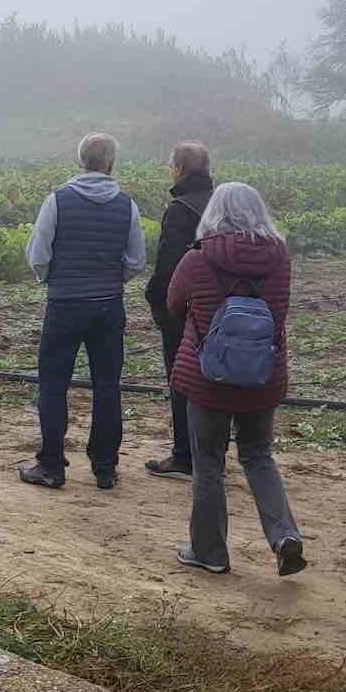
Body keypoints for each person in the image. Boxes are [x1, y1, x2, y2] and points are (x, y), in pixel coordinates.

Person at [167, 182, 305, 577]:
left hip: (208, 378)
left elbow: (175, 305)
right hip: (263, 376)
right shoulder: (280, 258)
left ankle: (209, 552)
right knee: (259, 457)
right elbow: (281, 310)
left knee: (208, 464)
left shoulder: (198, 258)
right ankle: (284, 536)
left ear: (214, 213)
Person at [20, 133, 146, 490]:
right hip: (108, 306)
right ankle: (105, 469)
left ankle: (51, 466)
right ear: (110, 163)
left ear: (81, 160)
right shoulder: (126, 205)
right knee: (107, 387)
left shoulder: (57, 201)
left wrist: (54, 280)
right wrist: (111, 279)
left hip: (64, 306)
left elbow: (38, 255)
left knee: (53, 384)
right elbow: (136, 260)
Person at [143, 142, 215, 481]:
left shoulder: (180, 208)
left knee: (181, 380)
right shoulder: (221, 205)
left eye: (171, 165)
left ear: (179, 170)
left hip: (184, 311)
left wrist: (156, 300)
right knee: (214, 381)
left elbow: (168, 266)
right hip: (219, 309)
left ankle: (184, 455)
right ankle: (212, 454)